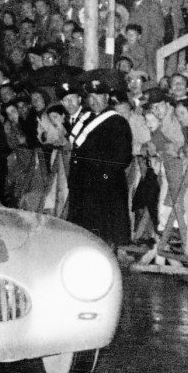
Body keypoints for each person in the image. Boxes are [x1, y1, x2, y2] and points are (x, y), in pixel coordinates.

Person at [67, 75, 134, 249]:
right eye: (90, 96)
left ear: (106, 97)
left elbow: (122, 157)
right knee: (83, 231)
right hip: (83, 184)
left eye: (98, 96)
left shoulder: (117, 122)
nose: (93, 100)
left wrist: (103, 175)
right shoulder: (85, 119)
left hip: (105, 185)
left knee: (104, 234)